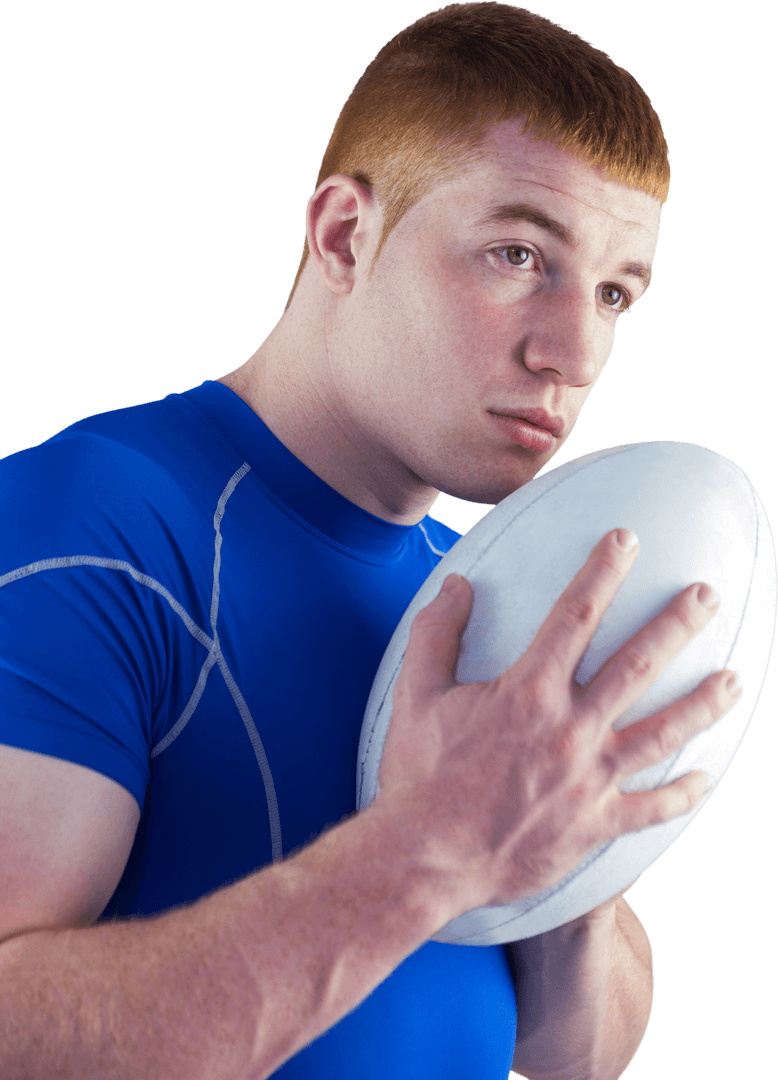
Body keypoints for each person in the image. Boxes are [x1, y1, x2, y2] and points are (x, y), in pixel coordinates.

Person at [0, 4, 740, 1079]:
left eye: (615, 293)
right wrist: (427, 849)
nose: (575, 351)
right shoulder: (87, 526)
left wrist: (567, 868)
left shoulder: (483, 595)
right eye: (518, 252)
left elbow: (558, 1063)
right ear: (345, 234)